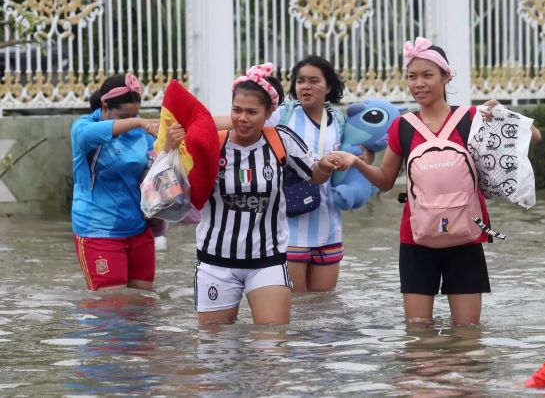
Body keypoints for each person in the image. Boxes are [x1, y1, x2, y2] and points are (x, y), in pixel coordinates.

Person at [332, 37, 539, 325]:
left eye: (428, 75)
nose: (419, 84)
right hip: (416, 239)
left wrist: (502, 115)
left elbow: (533, 138)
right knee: (418, 335)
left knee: (468, 333)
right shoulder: (402, 126)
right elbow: (385, 181)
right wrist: (356, 162)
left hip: (466, 236)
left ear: (446, 77)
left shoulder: (471, 118)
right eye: (412, 77)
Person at [193, 63, 342, 325]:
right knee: (215, 351)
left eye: (252, 112)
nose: (242, 118)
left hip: (267, 261)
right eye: (236, 110)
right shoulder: (212, 142)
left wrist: (325, 167)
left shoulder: (280, 140)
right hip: (215, 263)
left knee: (272, 347)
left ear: (268, 113)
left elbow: (314, 174)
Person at [71, 74, 184, 291]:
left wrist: (168, 146)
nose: (131, 122)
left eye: (135, 114)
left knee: (142, 306)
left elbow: (158, 172)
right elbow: (86, 135)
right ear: (105, 107)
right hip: (98, 230)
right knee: (111, 307)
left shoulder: (144, 135)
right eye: (125, 116)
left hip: (138, 229)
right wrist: (140, 121)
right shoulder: (84, 128)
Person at [268, 56, 368, 292]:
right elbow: (243, 123)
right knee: (297, 309)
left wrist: (361, 158)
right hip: (289, 227)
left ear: (329, 87)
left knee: (324, 307)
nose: (305, 86)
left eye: (314, 81)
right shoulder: (282, 115)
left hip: (329, 225)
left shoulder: (339, 121)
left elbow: (358, 153)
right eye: (301, 81)